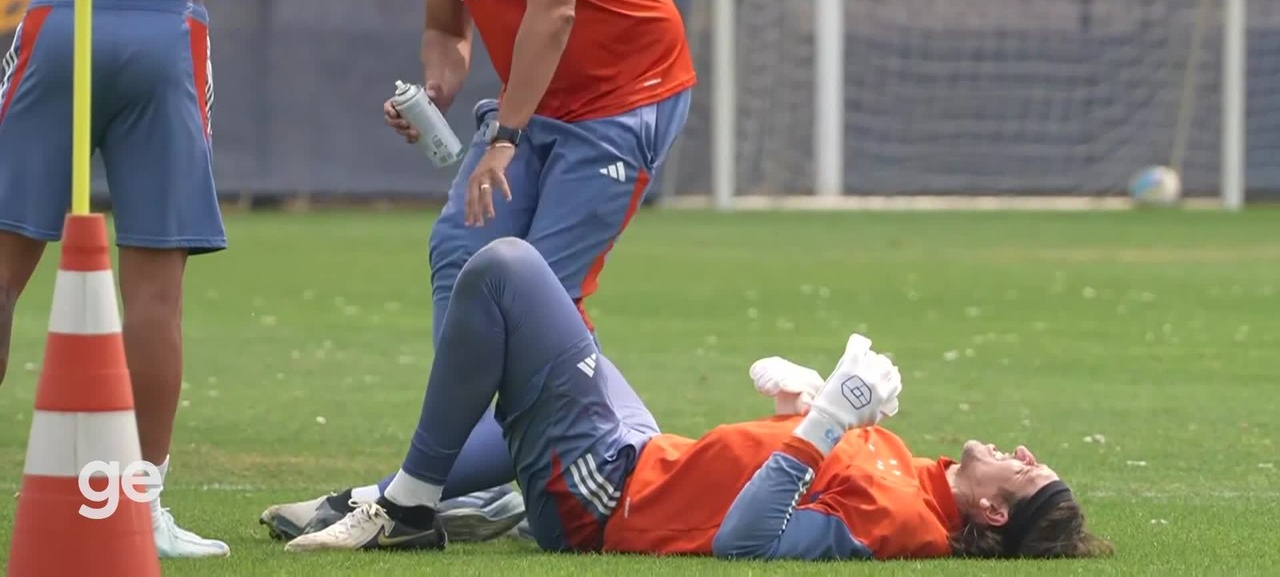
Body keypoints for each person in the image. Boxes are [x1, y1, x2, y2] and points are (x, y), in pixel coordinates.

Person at [262, 0, 696, 541]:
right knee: (461, 252)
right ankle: (495, 471)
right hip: (536, 101)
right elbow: (447, 29)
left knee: (536, 298)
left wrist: (505, 138)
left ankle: (396, 498)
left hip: (624, 98)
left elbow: (554, 11)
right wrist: (435, 92)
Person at [278, 237, 1114, 560]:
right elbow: (793, 472)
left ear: (996, 515)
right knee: (553, 345)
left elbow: (747, 541)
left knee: (504, 269)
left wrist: (823, 424)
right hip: (650, 454)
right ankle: (376, 499)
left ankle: (411, 509)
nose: (1025, 456)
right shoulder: (916, 474)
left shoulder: (908, 525)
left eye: (1031, 476)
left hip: (611, 495)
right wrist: (802, 402)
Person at [0, 0, 287, 559]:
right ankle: (139, 503)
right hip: (166, 33)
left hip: (61, 22)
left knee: (2, 270)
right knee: (155, 295)